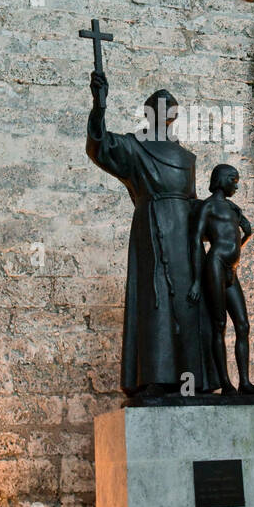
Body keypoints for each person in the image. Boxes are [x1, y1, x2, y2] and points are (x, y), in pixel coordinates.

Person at [86, 73, 218, 398]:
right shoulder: (134, 147)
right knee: (155, 297)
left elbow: (191, 198)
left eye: (171, 110)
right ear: (150, 114)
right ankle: (155, 379)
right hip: (152, 224)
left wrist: (218, 212)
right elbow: (100, 145)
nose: (167, 115)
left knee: (190, 298)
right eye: (161, 109)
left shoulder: (186, 158)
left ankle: (193, 382)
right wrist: (99, 104)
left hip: (185, 233)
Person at [189, 164, 254, 395]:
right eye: (233, 180)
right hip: (215, 265)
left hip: (231, 269)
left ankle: (245, 382)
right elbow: (195, 241)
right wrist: (196, 281)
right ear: (221, 180)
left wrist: (247, 235)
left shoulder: (234, 209)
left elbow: (235, 244)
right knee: (219, 324)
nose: (236, 185)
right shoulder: (208, 206)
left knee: (243, 325)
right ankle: (226, 383)